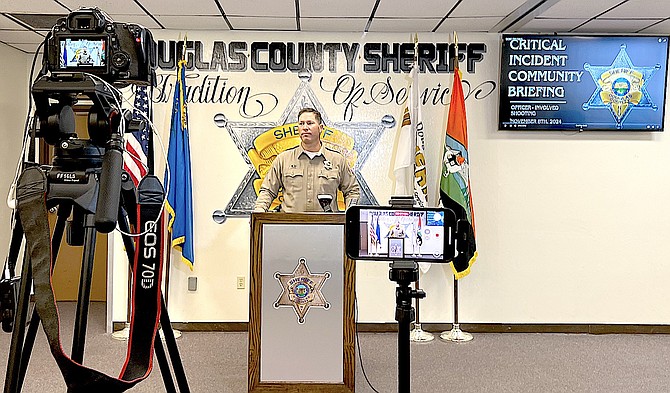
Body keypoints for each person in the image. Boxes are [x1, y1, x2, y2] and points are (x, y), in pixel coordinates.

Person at [253, 107, 360, 212]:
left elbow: (352, 191)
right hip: (289, 225)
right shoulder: (283, 159)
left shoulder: (337, 160)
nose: (305, 127)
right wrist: (258, 213)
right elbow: (268, 191)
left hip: (326, 227)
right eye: (301, 124)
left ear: (321, 128)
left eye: (310, 123)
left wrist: (350, 217)